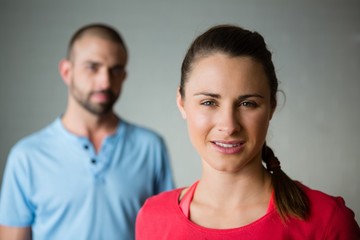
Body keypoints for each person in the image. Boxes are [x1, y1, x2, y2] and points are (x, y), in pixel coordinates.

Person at [135, 24, 360, 239]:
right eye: (208, 102)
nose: (229, 125)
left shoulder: (327, 222)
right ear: (181, 103)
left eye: (247, 104)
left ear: (271, 106)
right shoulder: (152, 218)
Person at [0, 23, 174, 240]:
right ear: (67, 72)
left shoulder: (150, 147)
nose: (105, 81)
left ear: (124, 76)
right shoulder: (26, 156)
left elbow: (165, 231)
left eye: (115, 70)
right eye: (92, 67)